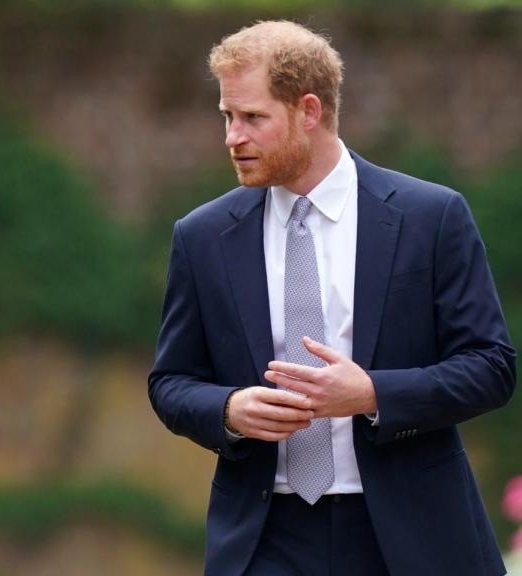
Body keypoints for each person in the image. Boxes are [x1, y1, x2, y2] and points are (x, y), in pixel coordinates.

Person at [148, 20, 515, 576]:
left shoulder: (430, 218)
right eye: (227, 116)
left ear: (309, 111)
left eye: (252, 117)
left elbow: (492, 368)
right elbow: (171, 382)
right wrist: (228, 411)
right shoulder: (201, 236)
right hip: (264, 538)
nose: (232, 136)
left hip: (410, 537)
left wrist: (372, 394)